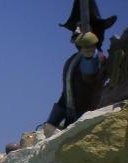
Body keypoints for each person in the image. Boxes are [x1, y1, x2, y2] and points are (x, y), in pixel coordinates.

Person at [45, 0, 116, 132]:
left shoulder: (98, 57)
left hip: (91, 121)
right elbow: (66, 94)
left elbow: (89, 75)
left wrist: (89, 54)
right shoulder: (71, 61)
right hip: (71, 123)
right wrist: (52, 121)